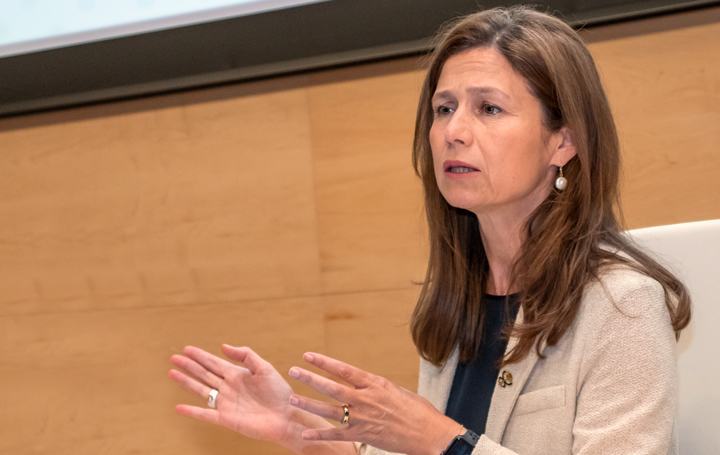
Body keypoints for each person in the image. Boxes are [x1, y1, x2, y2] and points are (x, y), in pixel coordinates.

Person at [168, 6, 691, 455]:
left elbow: (442, 445)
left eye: (488, 108)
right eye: (444, 109)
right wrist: (297, 423)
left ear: (563, 142)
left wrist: (442, 439)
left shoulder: (622, 304)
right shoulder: (460, 299)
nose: (453, 132)